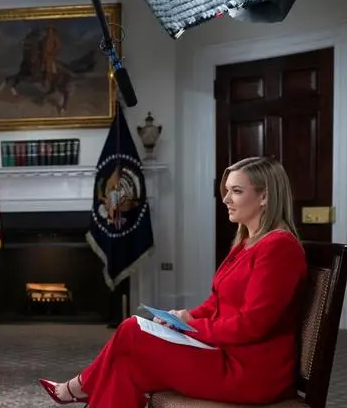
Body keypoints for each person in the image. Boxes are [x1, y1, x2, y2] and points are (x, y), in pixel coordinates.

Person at [39, 156, 308, 407]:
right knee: (126, 367)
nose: (226, 199)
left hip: (251, 373)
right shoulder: (246, 243)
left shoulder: (279, 247)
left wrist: (192, 328)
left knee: (131, 329)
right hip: (224, 353)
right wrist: (183, 318)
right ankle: (81, 387)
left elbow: (254, 325)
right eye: (226, 190)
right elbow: (217, 302)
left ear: (265, 196)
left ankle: (79, 387)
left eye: (236, 191)